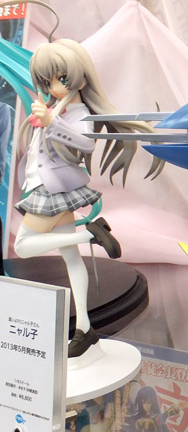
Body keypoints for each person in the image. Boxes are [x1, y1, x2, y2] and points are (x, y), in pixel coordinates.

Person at [13, 39, 155, 361]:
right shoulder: (56, 107)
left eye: (61, 79)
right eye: (47, 80)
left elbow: (85, 144)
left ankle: (90, 235)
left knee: (22, 246)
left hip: (52, 191)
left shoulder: (78, 113)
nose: (54, 86)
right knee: (72, 259)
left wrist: (51, 122)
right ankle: (85, 330)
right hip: (50, 186)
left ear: (80, 76)